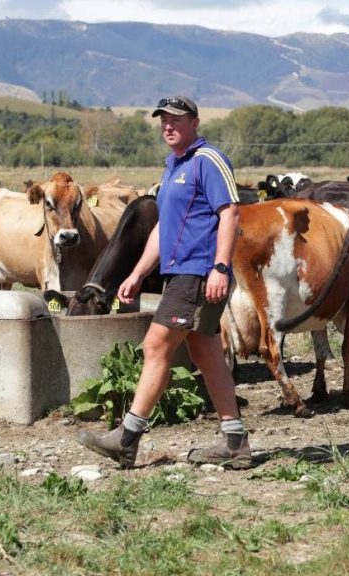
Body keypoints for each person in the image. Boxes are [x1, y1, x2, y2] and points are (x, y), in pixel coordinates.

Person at [77, 95, 250, 469]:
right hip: (180, 272)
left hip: (198, 272)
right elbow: (160, 229)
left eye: (176, 119)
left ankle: (127, 438)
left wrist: (220, 267)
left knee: (156, 346)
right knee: (206, 354)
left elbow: (230, 213)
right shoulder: (173, 165)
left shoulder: (208, 160)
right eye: (163, 120)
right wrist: (137, 273)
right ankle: (235, 441)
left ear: (195, 122)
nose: (168, 125)